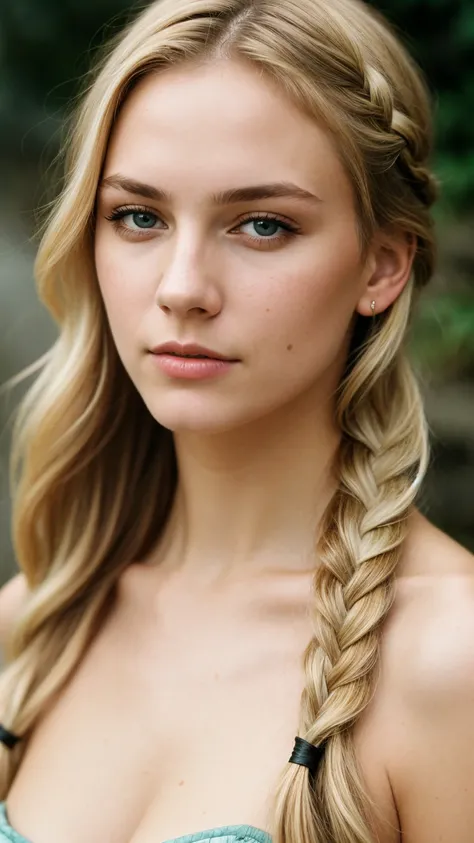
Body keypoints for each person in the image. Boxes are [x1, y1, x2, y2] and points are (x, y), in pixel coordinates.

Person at [0, 0, 473, 841]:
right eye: (138, 217)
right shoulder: (32, 626)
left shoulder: (450, 660)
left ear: (383, 265)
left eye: (263, 225)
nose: (182, 286)